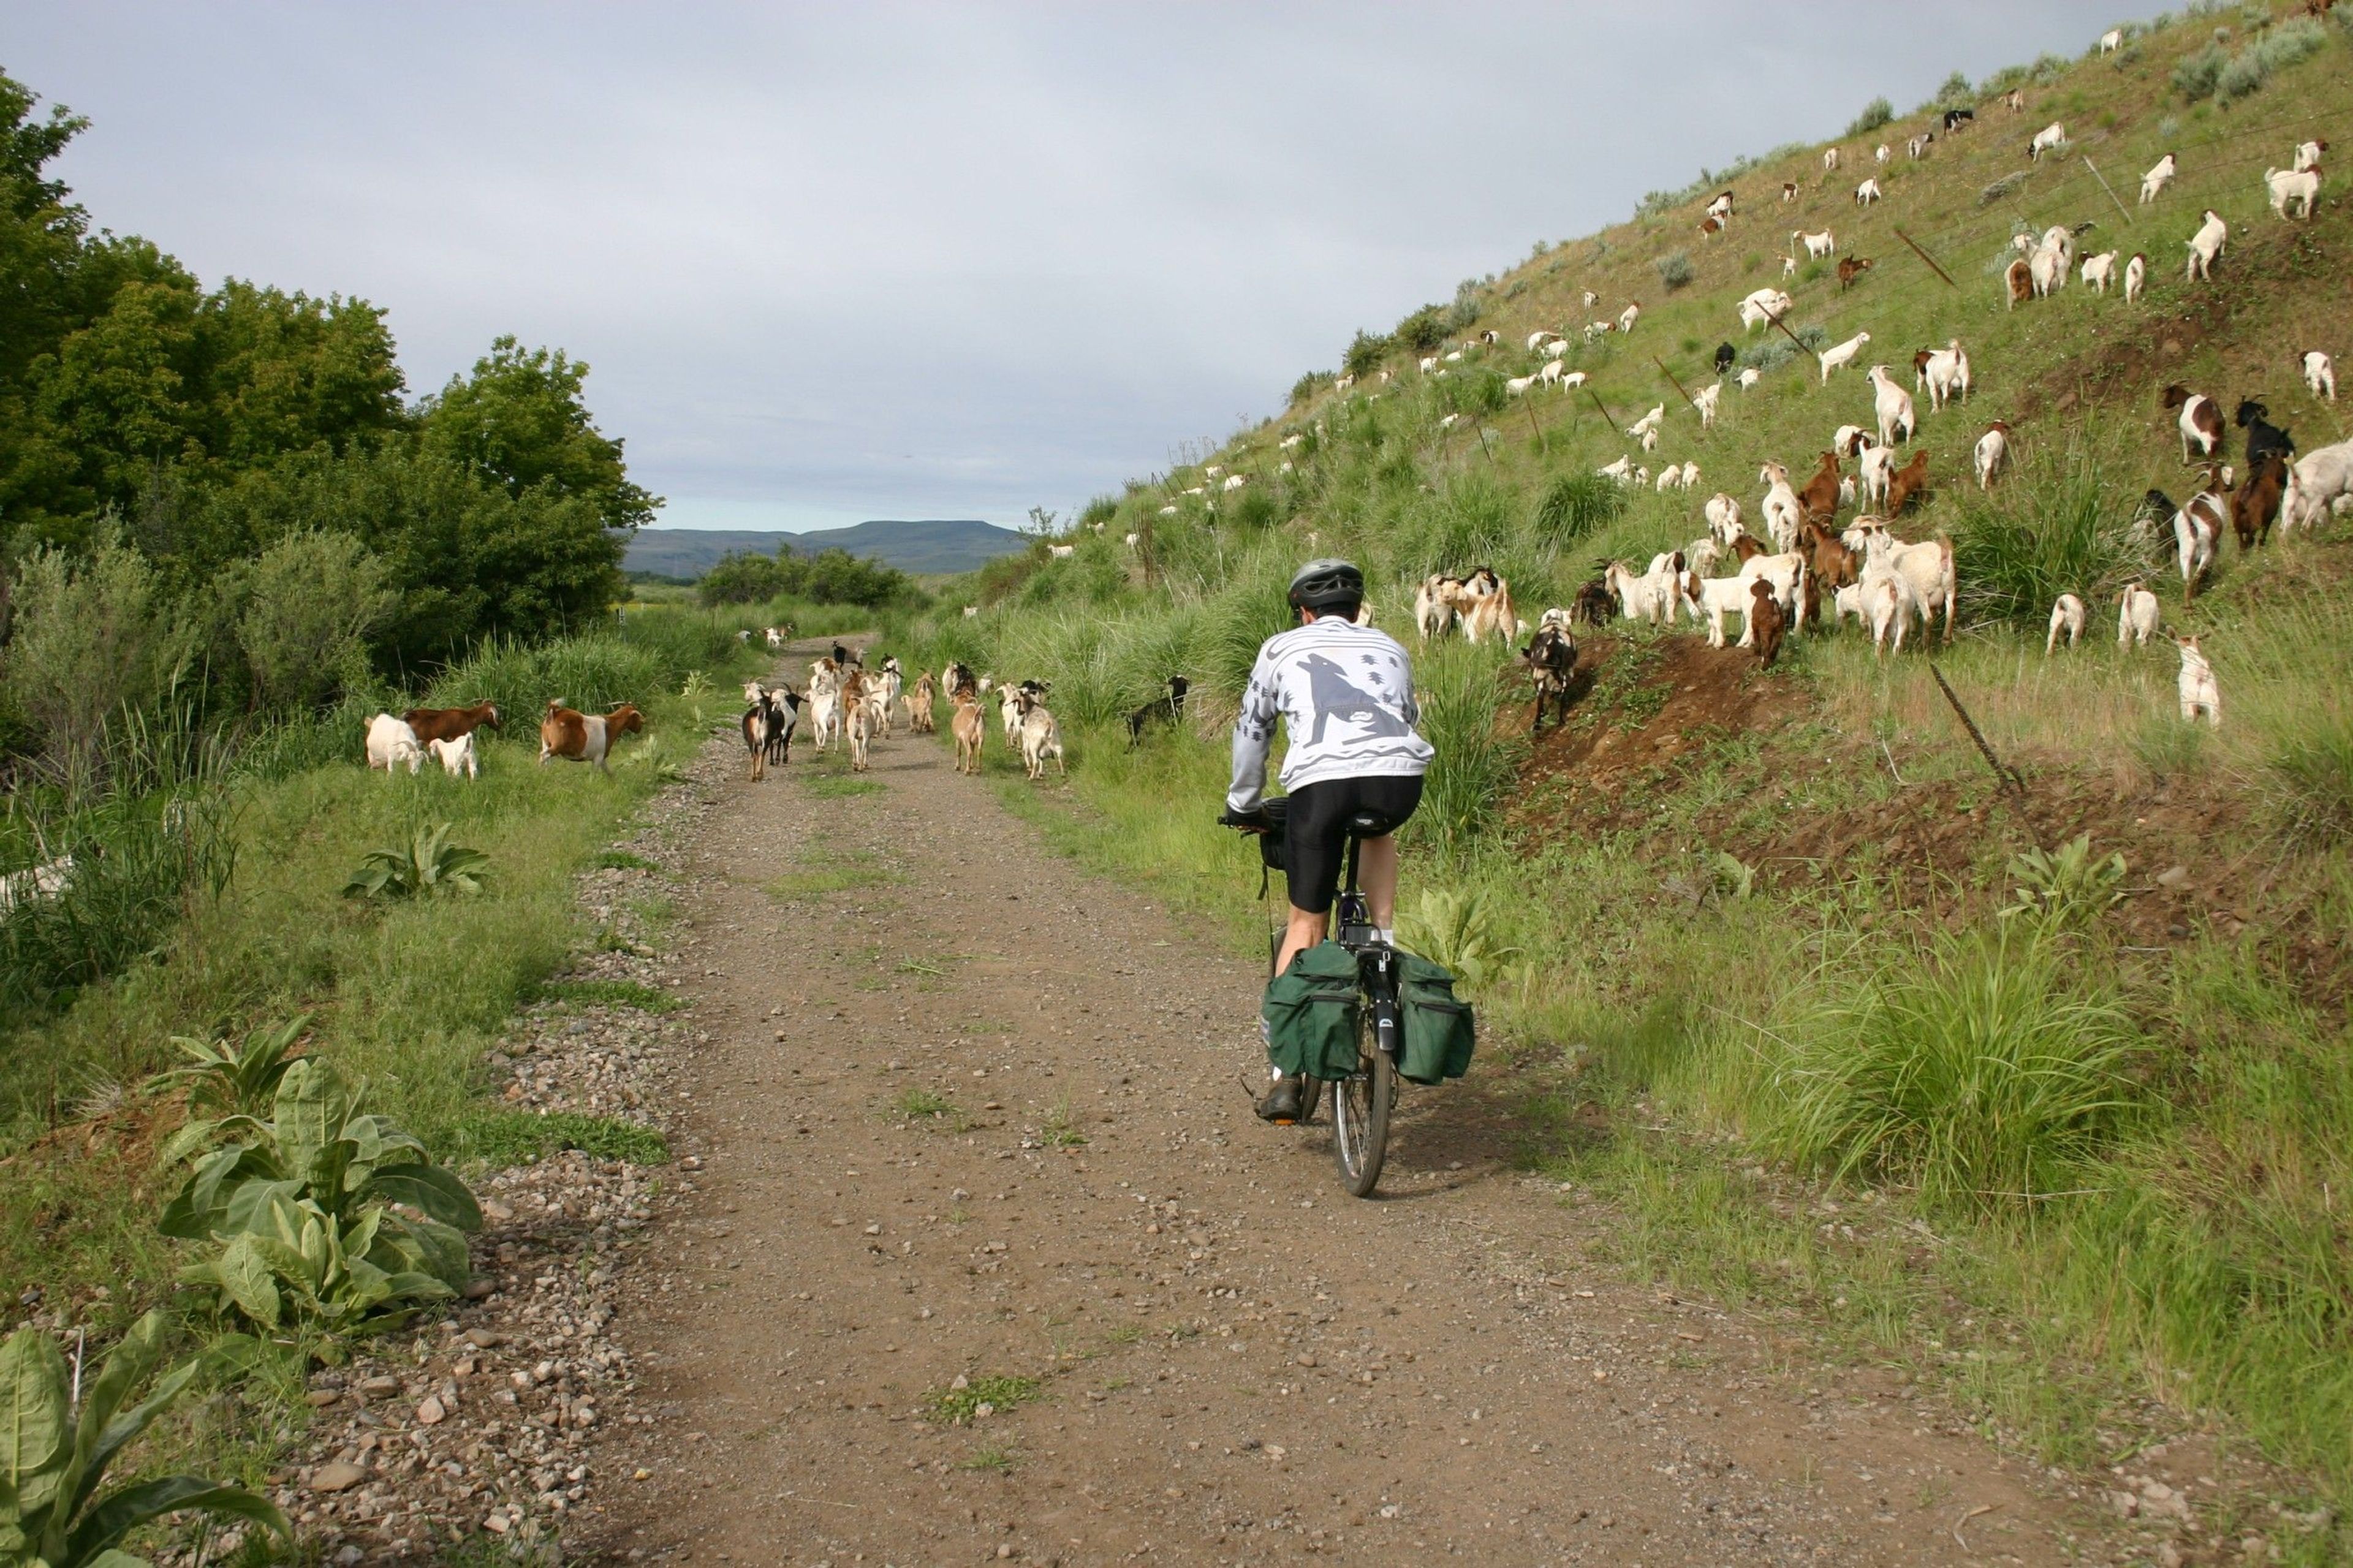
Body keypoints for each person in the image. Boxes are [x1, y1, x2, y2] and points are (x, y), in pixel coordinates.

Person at [1226, 559, 1433, 1123]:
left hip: (1321, 786)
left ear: (1304, 611)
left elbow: (1253, 731)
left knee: (1305, 923)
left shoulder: (1281, 648)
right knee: (1379, 831)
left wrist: (1243, 803)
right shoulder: (1391, 646)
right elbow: (1407, 714)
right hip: (1398, 783)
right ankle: (1383, 944)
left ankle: (1286, 1074)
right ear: (1356, 608)